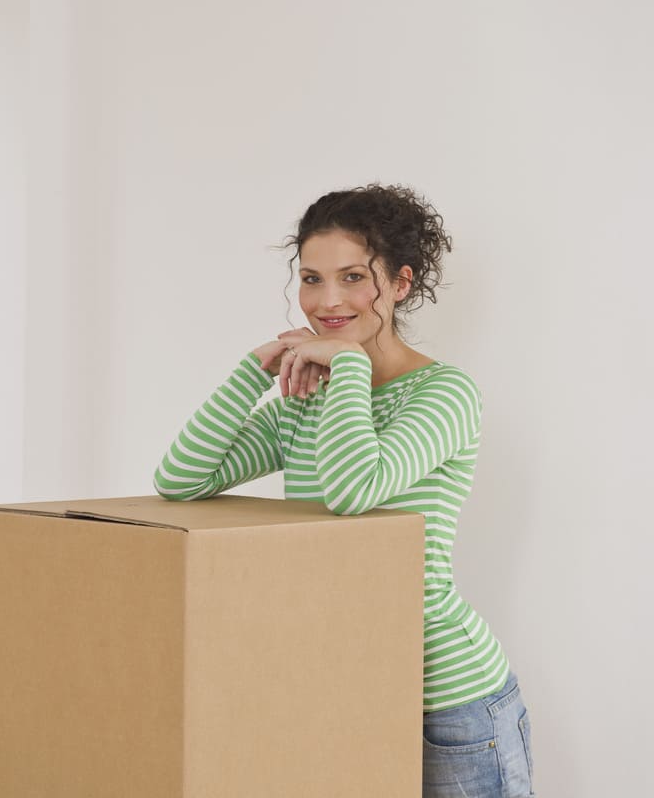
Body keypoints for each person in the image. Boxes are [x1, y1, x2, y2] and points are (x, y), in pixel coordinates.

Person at [153, 184, 534, 798]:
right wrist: (256, 367)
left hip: (448, 702)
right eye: (311, 278)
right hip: (343, 686)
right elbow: (181, 479)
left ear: (401, 283)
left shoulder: (445, 394)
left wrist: (350, 362)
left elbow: (357, 490)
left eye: (354, 277)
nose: (327, 301)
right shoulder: (309, 403)